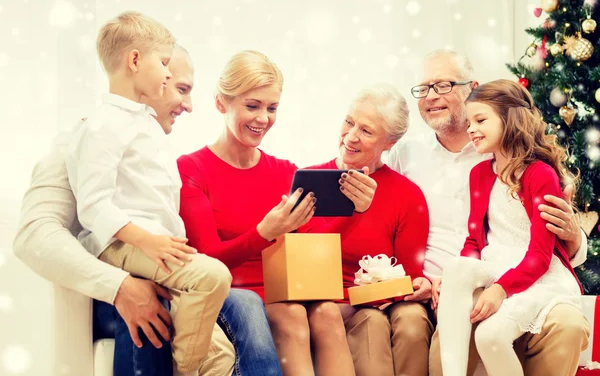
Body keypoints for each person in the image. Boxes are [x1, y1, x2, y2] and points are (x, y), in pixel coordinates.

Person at [14, 42, 283, 376]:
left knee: (246, 303)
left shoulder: (157, 155)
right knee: (151, 300)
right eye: (179, 88)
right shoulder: (85, 138)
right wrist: (120, 285)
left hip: (164, 275)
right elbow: (33, 237)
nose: (188, 105)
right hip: (114, 284)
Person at [386, 49, 589, 376]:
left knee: (562, 326)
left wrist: (573, 236)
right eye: (423, 88)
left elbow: (549, 246)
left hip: (526, 277)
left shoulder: (528, 167)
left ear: (472, 88)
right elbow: (467, 237)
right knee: (463, 298)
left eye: (443, 85)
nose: (431, 96)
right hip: (457, 284)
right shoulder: (407, 155)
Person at [178, 50, 379, 376]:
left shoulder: (284, 172)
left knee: (327, 312)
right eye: (252, 106)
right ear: (221, 103)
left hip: (285, 291)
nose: (263, 118)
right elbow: (208, 261)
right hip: (234, 296)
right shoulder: (192, 169)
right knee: (291, 316)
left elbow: (310, 246)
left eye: (272, 108)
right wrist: (263, 233)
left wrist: (356, 210)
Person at [64, 11, 232, 373]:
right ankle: (184, 370)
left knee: (222, 355)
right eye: (165, 64)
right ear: (135, 60)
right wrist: (148, 241)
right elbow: (92, 206)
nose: (169, 74)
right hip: (125, 246)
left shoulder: (144, 123)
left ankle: (190, 360)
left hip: (154, 244)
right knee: (213, 276)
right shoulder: (103, 125)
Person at [436, 79, 583, 376]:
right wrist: (459, 274)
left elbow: (541, 255)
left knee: (490, 336)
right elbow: (474, 240)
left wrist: (501, 289)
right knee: (456, 269)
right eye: (470, 122)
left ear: (508, 119)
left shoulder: (539, 174)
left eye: (480, 120)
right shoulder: (479, 174)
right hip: (494, 264)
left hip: (538, 273)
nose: (471, 129)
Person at [298, 84, 432, 376]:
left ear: (390, 143)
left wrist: (415, 287)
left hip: (381, 304)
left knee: (409, 321)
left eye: (367, 131)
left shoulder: (406, 195)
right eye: (348, 122)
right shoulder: (309, 181)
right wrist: (353, 213)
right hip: (327, 306)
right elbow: (299, 263)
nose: (351, 136)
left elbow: (408, 274)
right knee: (371, 323)